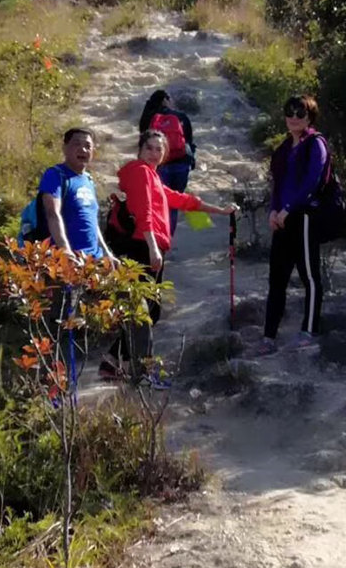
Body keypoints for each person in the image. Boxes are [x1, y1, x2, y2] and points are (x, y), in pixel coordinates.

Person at [98, 128, 235, 380]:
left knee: (148, 310)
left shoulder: (153, 177)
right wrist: (152, 247)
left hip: (148, 246)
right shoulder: (140, 172)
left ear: (165, 154)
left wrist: (220, 210)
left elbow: (181, 200)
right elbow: (144, 212)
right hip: (141, 247)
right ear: (140, 149)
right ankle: (123, 364)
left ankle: (119, 363)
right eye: (149, 147)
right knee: (144, 311)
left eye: (158, 149)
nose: (153, 153)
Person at [254, 94, 328, 356]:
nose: (294, 117)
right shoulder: (284, 148)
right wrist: (274, 210)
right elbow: (278, 183)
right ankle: (269, 336)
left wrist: (289, 208)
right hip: (282, 219)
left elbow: (312, 181)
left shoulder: (315, 144)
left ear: (310, 117)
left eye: (301, 113)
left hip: (304, 216)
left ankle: (308, 331)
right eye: (290, 112)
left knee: (309, 276)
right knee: (277, 279)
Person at [36, 127, 113, 261]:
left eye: (88, 146)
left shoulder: (88, 180)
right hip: (69, 261)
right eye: (76, 144)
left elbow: (93, 222)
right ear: (65, 148)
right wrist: (65, 250)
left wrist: (107, 254)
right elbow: (52, 213)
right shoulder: (55, 175)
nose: (83, 149)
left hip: (93, 261)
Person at [139, 89, 196, 235]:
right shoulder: (181, 116)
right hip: (181, 164)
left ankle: (158, 237)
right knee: (173, 202)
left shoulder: (149, 117)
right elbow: (189, 142)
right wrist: (191, 161)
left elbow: (143, 141)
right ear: (166, 100)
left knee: (156, 202)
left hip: (159, 165)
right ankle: (168, 237)